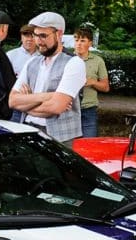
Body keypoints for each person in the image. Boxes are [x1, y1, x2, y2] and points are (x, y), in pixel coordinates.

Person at [9, 12, 86, 144]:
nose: (38, 40)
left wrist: (26, 105)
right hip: (28, 130)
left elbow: (55, 107)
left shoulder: (74, 63)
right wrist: (48, 96)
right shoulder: (32, 62)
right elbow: (12, 101)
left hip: (60, 139)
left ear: (59, 34)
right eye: (35, 35)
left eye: (43, 35)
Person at [74, 27, 109, 137]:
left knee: (89, 146)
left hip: (89, 110)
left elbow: (106, 87)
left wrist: (92, 82)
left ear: (90, 43)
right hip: (69, 109)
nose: (78, 44)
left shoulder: (98, 61)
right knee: (69, 147)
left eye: (82, 40)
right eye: (76, 40)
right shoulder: (66, 59)